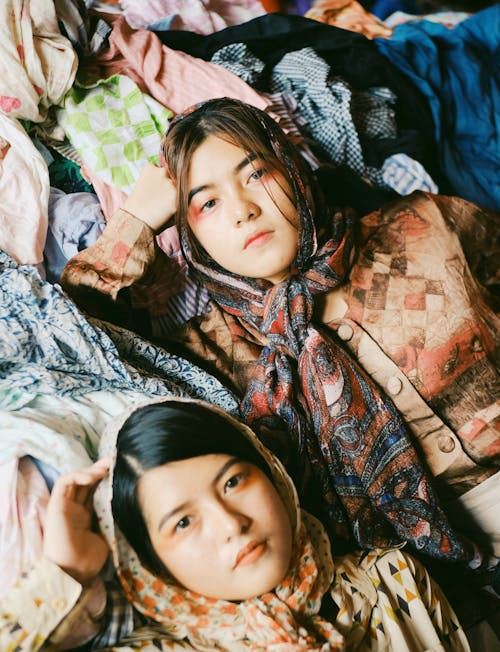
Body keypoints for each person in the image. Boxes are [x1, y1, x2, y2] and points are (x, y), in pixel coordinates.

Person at [61, 97, 500, 579]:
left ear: (292, 172)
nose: (243, 211)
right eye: (207, 203)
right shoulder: (215, 350)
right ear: (191, 236)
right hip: (441, 588)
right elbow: (71, 336)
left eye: (255, 174)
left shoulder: (425, 226)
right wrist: (137, 221)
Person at [1, 397, 498, 652]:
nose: (231, 525)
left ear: (272, 474)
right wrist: (59, 575)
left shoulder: (396, 585)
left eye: (234, 481)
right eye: (183, 521)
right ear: (149, 562)